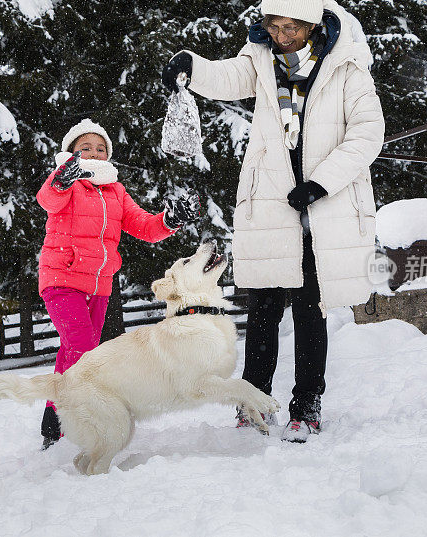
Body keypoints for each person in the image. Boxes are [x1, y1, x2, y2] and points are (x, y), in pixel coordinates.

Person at [162, 0, 384, 443]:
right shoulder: (261, 57)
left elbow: (367, 134)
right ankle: (253, 402)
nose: (282, 36)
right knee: (262, 307)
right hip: (272, 202)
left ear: (313, 23)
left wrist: (321, 182)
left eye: (292, 28)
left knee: (308, 309)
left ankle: (307, 405)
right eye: (274, 26)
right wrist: (192, 65)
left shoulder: (347, 67)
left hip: (322, 206)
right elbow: (228, 76)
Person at [37, 118, 200, 449]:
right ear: (71, 152)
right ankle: (79, 420)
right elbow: (47, 201)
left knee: (74, 350)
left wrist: (170, 220)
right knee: (83, 349)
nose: (94, 153)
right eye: (86, 148)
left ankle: (53, 419)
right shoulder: (66, 184)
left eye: (101, 148)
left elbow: (143, 226)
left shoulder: (115, 191)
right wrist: (60, 182)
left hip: (99, 286)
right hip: (61, 279)